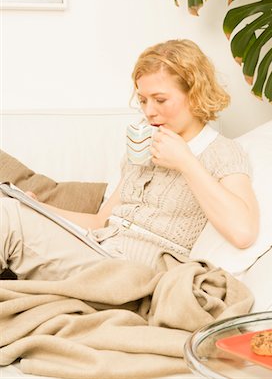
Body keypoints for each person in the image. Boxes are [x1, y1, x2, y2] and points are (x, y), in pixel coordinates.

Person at [0, 39, 259, 280]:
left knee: (5, 217)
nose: (148, 112)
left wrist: (185, 161)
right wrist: (39, 210)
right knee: (11, 209)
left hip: (134, 273)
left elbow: (243, 232)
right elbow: (101, 221)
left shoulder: (222, 152)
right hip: (99, 251)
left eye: (160, 100)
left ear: (195, 93)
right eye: (143, 100)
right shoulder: (141, 148)